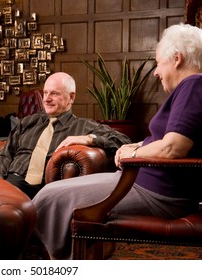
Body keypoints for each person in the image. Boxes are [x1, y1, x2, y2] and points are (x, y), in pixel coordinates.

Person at [33, 23, 202, 260]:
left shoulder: (193, 85)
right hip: (136, 181)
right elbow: (166, 140)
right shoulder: (190, 89)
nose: (156, 72)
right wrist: (138, 146)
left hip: (155, 193)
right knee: (50, 192)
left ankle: (59, 262)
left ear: (176, 58)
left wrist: (131, 155)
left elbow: (173, 147)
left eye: (158, 63)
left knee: (49, 198)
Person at [0, 72, 131, 199]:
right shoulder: (27, 123)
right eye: (45, 93)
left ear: (71, 97)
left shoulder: (82, 126)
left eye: (54, 94)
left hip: (46, 188)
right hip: (12, 181)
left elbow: (123, 140)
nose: (46, 99)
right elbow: (5, 155)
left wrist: (89, 138)